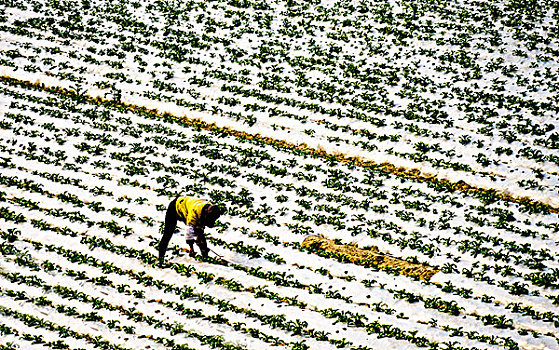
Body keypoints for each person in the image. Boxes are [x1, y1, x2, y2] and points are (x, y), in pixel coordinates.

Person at [158, 196, 222, 264]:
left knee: (200, 234)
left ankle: (205, 256)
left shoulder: (208, 210)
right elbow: (189, 234)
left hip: (187, 207)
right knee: (167, 234)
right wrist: (191, 248)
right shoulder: (194, 214)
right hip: (175, 207)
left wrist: (200, 239)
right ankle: (161, 259)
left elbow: (200, 230)